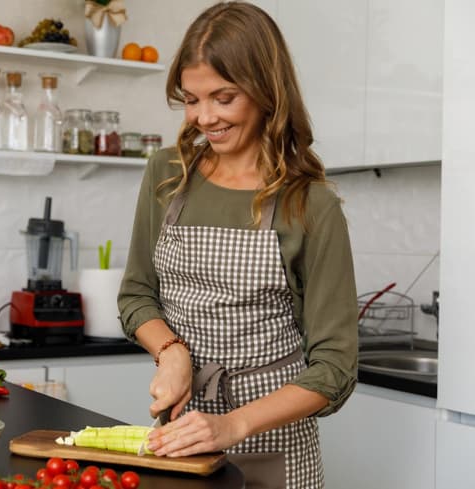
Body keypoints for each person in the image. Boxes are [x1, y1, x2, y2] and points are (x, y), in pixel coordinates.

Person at [117, 2, 358, 488]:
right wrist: (172, 353)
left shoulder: (311, 205)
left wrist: (231, 424)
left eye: (223, 98)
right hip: (181, 443)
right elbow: (136, 295)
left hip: (277, 450)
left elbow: (335, 368)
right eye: (191, 99)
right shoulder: (166, 174)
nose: (205, 117)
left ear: (266, 92)